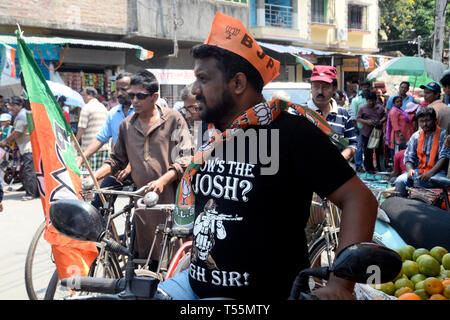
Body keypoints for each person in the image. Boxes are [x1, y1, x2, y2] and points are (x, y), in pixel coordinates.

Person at [157, 12, 378, 300]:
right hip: (194, 288)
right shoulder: (213, 136)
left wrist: (340, 283)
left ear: (237, 84)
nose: (194, 89)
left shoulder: (293, 133)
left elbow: (359, 199)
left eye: (203, 78)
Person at [90, 69, 193, 264]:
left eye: (140, 96)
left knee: (173, 254)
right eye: (132, 96)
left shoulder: (173, 119)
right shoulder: (127, 125)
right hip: (143, 200)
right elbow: (116, 160)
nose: (135, 100)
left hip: (171, 197)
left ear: (155, 97)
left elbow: (184, 159)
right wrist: (94, 177)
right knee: (145, 254)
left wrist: (163, 180)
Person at [77, 73, 134, 209]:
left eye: (124, 89)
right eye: (117, 89)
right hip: (119, 164)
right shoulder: (113, 113)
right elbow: (100, 138)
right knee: (100, 200)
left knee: (141, 207)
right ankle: (103, 228)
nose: (119, 93)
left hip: (141, 166)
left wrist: (130, 167)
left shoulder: (141, 112)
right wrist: (81, 158)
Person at [289, 65, 357, 161]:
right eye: (316, 86)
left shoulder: (344, 114)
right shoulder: (297, 112)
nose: (320, 91)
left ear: (334, 88)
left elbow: (352, 144)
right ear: (311, 87)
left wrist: (337, 162)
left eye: (325, 87)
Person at [394, 107, 450, 197]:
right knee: (400, 181)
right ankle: (403, 204)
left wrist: (430, 173)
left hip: (437, 173)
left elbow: (444, 157)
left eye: (427, 120)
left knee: (433, 181)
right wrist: (409, 170)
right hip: (418, 171)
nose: (425, 124)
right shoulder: (416, 136)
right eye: (421, 121)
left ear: (435, 121)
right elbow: (409, 156)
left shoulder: (443, 135)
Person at [0, 96, 39, 200]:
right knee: (28, 170)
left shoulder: (22, 115)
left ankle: (31, 194)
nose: (9, 107)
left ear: (18, 105)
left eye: (12, 105)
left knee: (29, 171)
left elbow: (18, 132)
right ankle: (34, 191)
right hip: (24, 147)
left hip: (28, 148)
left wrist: (6, 141)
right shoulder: (19, 114)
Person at [76, 87, 109, 172]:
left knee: (88, 174)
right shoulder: (103, 107)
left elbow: (82, 128)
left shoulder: (86, 108)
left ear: (89, 95)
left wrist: (76, 141)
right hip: (104, 146)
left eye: (83, 95)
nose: (82, 97)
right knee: (100, 175)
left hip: (89, 147)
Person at [356, 91, 387, 173]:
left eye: (372, 100)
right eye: (369, 100)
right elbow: (358, 118)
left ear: (375, 99)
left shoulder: (380, 107)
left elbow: (385, 116)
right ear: (366, 100)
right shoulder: (362, 108)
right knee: (367, 151)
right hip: (367, 132)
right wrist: (367, 122)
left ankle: (379, 167)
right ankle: (369, 168)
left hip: (378, 132)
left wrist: (380, 121)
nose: (371, 102)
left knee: (378, 150)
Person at [351, 81, 372, 172]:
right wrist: (355, 127)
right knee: (359, 146)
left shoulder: (372, 98)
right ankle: (358, 165)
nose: (366, 88)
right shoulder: (356, 100)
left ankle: (368, 166)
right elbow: (353, 115)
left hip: (370, 128)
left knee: (368, 147)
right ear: (361, 88)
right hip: (359, 127)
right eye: (364, 87)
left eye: (367, 87)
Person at [385, 96, 413, 162]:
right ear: (394, 103)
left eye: (400, 101)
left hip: (404, 133)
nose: (399, 103)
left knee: (403, 150)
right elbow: (395, 124)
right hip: (398, 135)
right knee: (397, 151)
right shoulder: (394, 111)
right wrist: (400, 134)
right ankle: (396, 168)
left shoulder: (401, 110)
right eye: (397, 102)